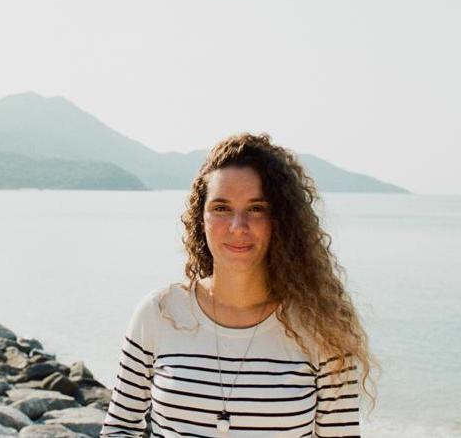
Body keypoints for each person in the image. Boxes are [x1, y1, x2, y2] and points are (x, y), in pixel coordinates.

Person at [99, 133, 374, 438]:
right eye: (221, 208)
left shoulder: (324, 328)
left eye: (256, 209)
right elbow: (119, 428)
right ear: (201, 218)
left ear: (282, 220)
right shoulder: (160, 313)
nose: (237, 226)